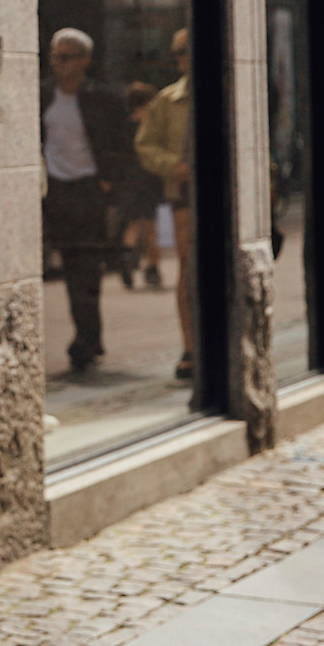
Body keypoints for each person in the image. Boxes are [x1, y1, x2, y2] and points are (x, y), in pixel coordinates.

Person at [40, 28, 130, 372]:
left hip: (89, 190)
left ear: (84, 60)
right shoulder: (43, 94)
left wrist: (109, 184)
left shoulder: (103, 98)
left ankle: (88, 338)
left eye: (65, 57)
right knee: (66, 264)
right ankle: (85, 336)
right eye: (55, 57)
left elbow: (122, 144)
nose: (59, 64)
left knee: (87, 268)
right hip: (55, 190)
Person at [136, 27, 194, 381]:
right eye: (179, 52)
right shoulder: (167, 100)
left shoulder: (231, 92)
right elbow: (145, 145)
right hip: (185, 196)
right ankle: (191, 346)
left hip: (227, 196)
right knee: (188, 269)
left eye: (187, 50)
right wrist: (172, 165)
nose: (183, 57)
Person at [117, 82, 164, 289]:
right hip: (148, 177)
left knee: (133, 223)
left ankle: (127, 256)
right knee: (150, 226)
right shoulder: (151, 127)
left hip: (128, 179)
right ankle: (152, 268)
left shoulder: (124, 125)